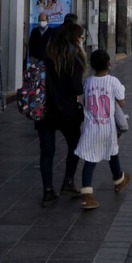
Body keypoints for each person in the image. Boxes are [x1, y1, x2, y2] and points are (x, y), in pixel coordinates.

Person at [74, 50, 131, 209]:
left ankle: (87, 194)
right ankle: (119, 180)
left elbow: (84, 100)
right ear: (109, 63)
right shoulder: (113, 81)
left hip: (91, 127)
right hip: (107, 127)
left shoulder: (88, 82)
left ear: (92, 65)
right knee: (112, 151)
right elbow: (122, 102)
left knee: (90, 160)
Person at [38, 23, 86, 207]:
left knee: (47, 152)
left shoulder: (47, 54)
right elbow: (76, 87)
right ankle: (68, 182)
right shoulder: (75, 57)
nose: (82, 40)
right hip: (67, 111)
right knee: (75, 146)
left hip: (44, 110)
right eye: (81, 37)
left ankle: (48, 192)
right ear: (74, 37)